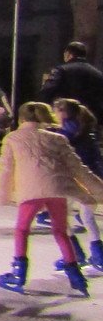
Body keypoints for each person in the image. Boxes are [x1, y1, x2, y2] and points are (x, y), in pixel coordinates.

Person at [0, 102, 102, 296]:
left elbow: (6, 169)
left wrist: (3, 194)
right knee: (61, 231)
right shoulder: (58, 138)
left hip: (31, 191)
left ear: (21, 119)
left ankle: (19, 273)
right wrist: (98, 189)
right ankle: (76, 275)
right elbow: (78, 168)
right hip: (57, 190)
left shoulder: (13, 138)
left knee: (21, 229)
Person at [52, 98, 103, 272]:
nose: (55, 114)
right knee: (87, 216)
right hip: (93, 177)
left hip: (77, 179)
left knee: (61, 216)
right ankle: (99, 256)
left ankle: (74, 255)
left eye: (57, 111)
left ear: (64, 112)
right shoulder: (87, 129)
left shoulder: (66, 133)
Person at [39, 41, 103, 122]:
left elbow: (47, 91)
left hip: (67, 118)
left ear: (68, 54)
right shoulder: (98, 74)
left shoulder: (61, 70)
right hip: (93, 121)